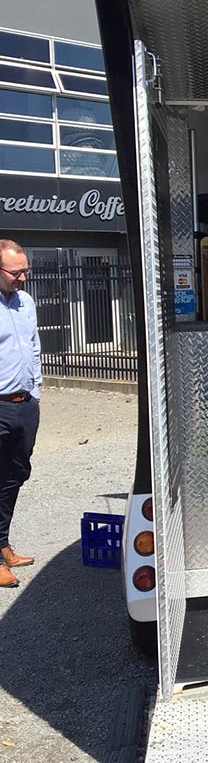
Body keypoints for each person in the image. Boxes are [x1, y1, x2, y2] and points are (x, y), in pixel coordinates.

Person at [0, 239, 42, 589]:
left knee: (15, 476)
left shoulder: (26, 302)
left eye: (25, 271)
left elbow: (34, 347)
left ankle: (3, 544)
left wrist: (37, 393)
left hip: (25, 404)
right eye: (16, 272)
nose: (23, 278)